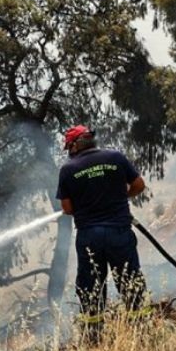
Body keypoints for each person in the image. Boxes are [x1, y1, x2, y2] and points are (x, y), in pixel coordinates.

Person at [55, 125, 146, 336]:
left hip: (89, 237)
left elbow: (67, 208)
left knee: (91, 287)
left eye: (69, 146)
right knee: (130, 281)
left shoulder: (68, 169)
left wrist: (86, 204)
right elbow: (139, 185)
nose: (69, 151)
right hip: (120, 233)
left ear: (76, 145)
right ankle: (141, 332)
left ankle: (93, 336)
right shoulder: (115, 157)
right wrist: (121, 197)